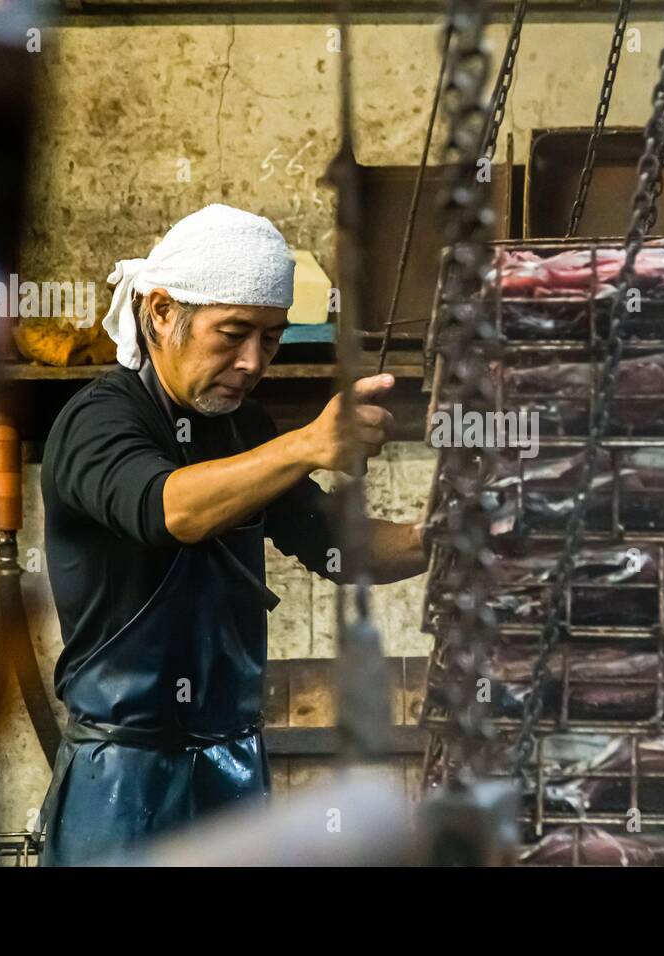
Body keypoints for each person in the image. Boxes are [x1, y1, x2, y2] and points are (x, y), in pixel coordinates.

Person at [36, 204, 425, 864]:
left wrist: (450, 537)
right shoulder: (97, 423)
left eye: (271, 339)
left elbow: (334, 542)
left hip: (232, 762)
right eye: (234, 333)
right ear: (161, 313)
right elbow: (171, 509)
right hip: (124, 779)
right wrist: (307, 444)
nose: (252, 362)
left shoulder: (245, 427)